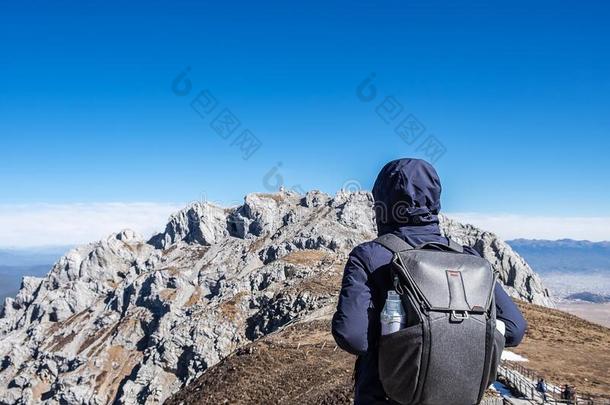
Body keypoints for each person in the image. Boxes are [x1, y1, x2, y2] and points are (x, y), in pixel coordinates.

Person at [332, 158, 528, 404]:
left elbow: (352, 337)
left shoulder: (369, 256)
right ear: (435, 199)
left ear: (382, 203)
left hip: (386, 396)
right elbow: (514, 328)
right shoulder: (468, 257)